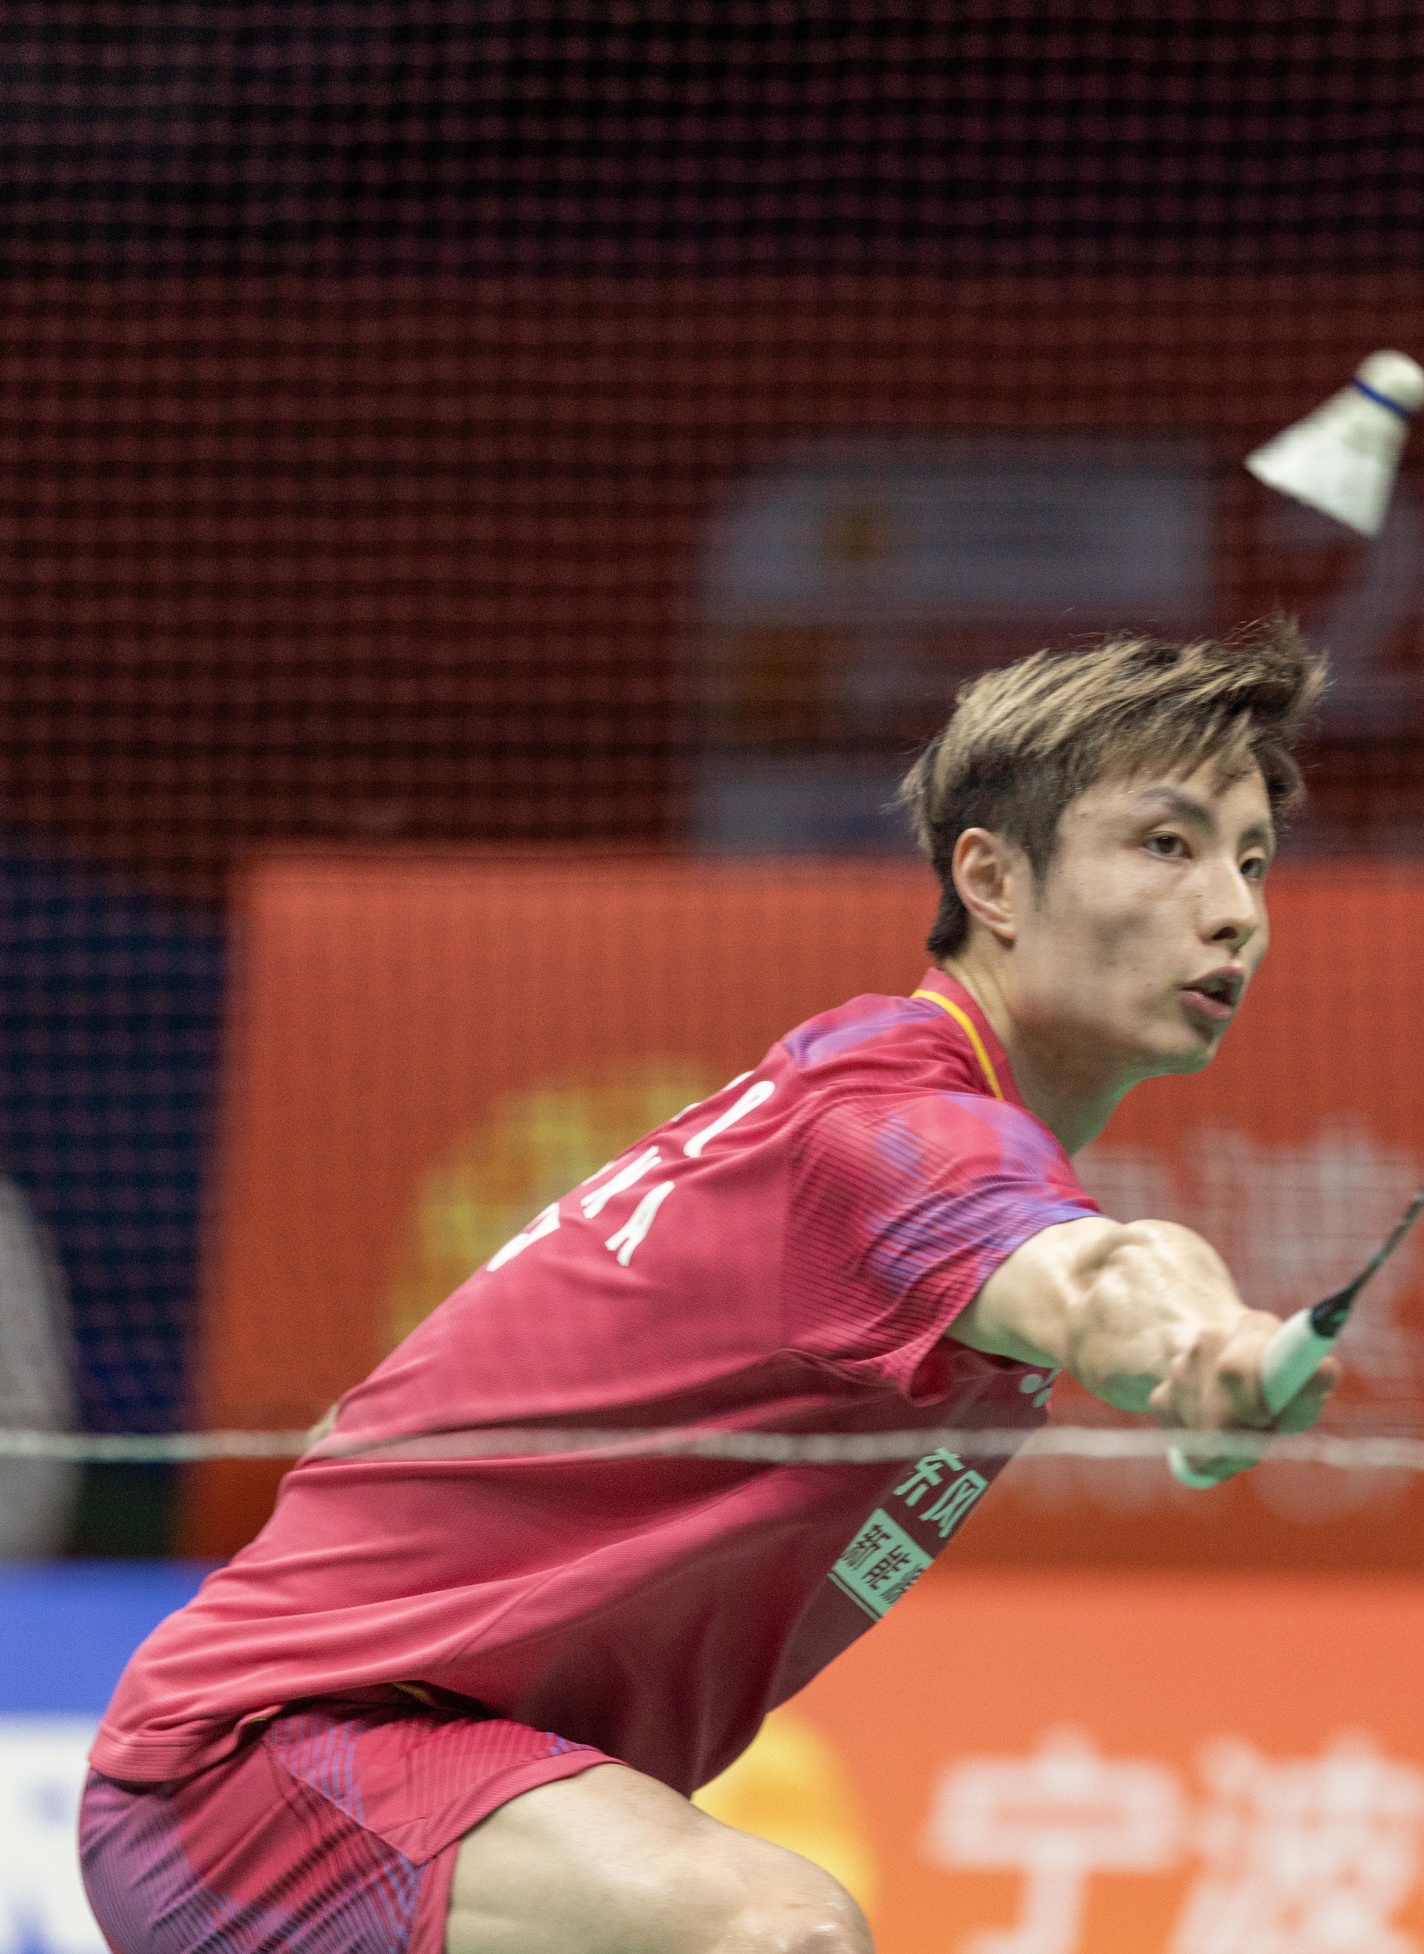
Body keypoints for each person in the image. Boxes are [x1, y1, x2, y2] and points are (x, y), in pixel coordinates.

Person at [80, 620, 1339, 1954]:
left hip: (427, 1771)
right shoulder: (889, 1135)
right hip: (268, 1775)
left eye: (1254, 859)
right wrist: (1202, 1341)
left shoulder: (873, 1114)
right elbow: (1099, 1276)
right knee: (780, 1930)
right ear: (992, 879)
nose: (1235, 910)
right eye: (1168, 844)